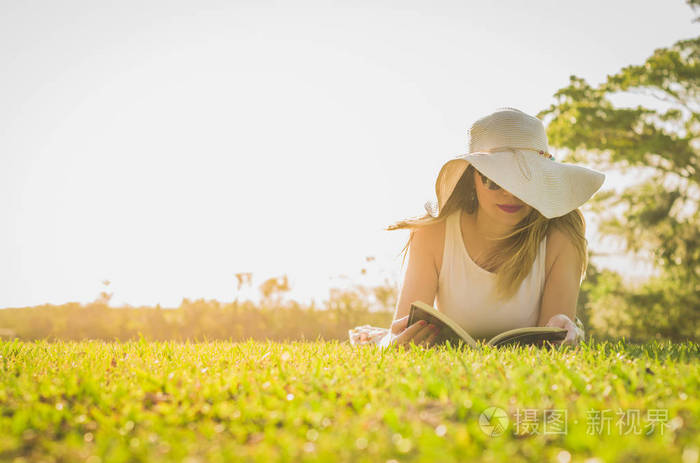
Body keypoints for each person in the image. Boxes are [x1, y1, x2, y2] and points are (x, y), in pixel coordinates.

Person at [382, 107, 605, 349]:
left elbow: (549, 346)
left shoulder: (561, 238)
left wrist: (564, 334)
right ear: (472, 177)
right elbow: (403, 334)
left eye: (524, 181)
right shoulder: (432, 234)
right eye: (494, 180)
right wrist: (392, 343)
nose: (510, 193)